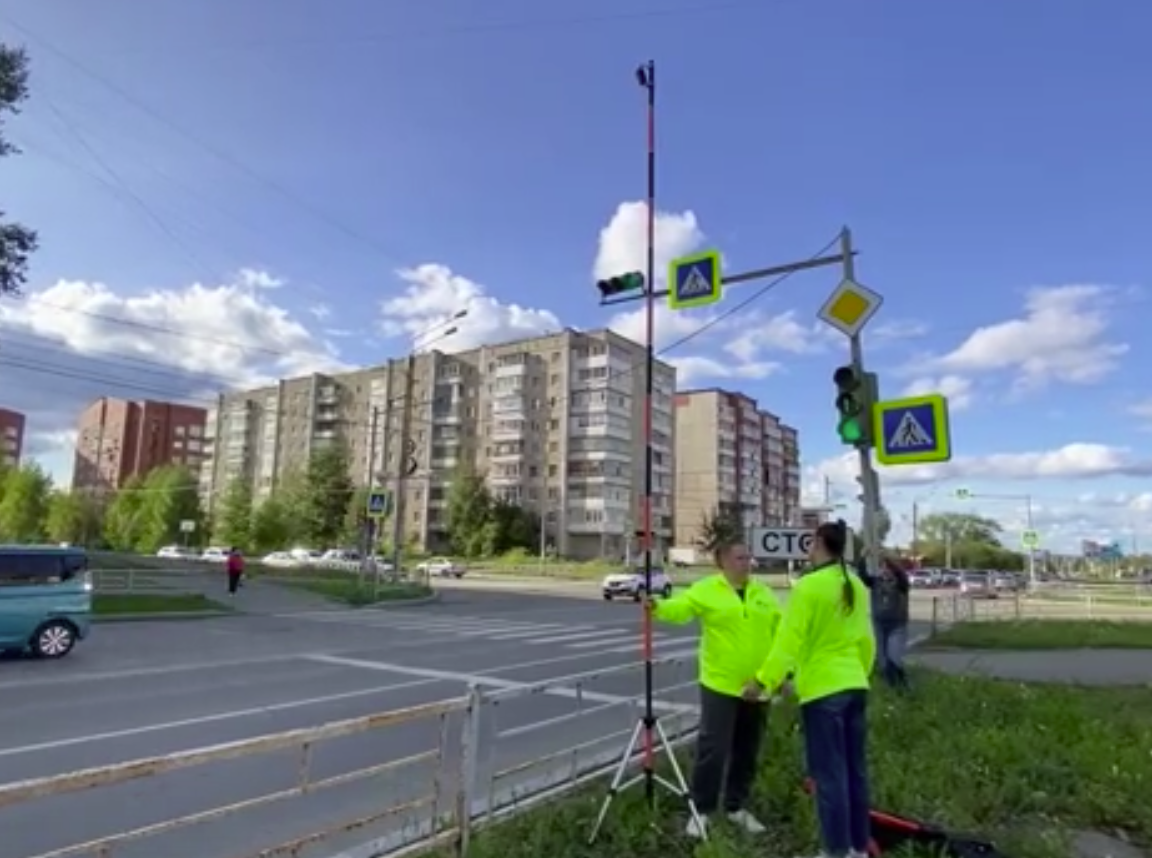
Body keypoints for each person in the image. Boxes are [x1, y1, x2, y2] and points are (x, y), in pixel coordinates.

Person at [747, 520, 875, 858]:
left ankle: (835, 851)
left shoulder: (808, 587)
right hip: (855, 686)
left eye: (810, 542)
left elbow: (789, 640)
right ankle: (859, 847)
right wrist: (860, 676)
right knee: (855, 772)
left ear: (818, 543)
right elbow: (867, 642)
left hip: (823, 691)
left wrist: (765, 680)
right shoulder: (857, 585)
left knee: (829, 776)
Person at [648, 538, 782, 838]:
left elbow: (781, 637)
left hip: (758, 686)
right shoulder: (707, 590)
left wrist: (774, 677)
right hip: (720, 685)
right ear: (722, 561)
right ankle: (702, 809)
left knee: (748, 749)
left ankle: (737, 806)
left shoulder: (764, 594)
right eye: (739, 558)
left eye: (748, 558)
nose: (746, 563)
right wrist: (657, 606)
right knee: (713, 748)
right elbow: (680, 609)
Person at [867, 557, 910, 689]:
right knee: (882, 659)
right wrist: (863, 557)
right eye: (882, 567)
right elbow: (862, 576)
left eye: (887, 568)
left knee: (894, 656)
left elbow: (902, 578)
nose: (884, 571)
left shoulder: (901, 583)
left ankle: (901, 687)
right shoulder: (875, 581)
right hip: (879, 624)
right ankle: (893, 686)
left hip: (897, 625)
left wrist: (891, 563)